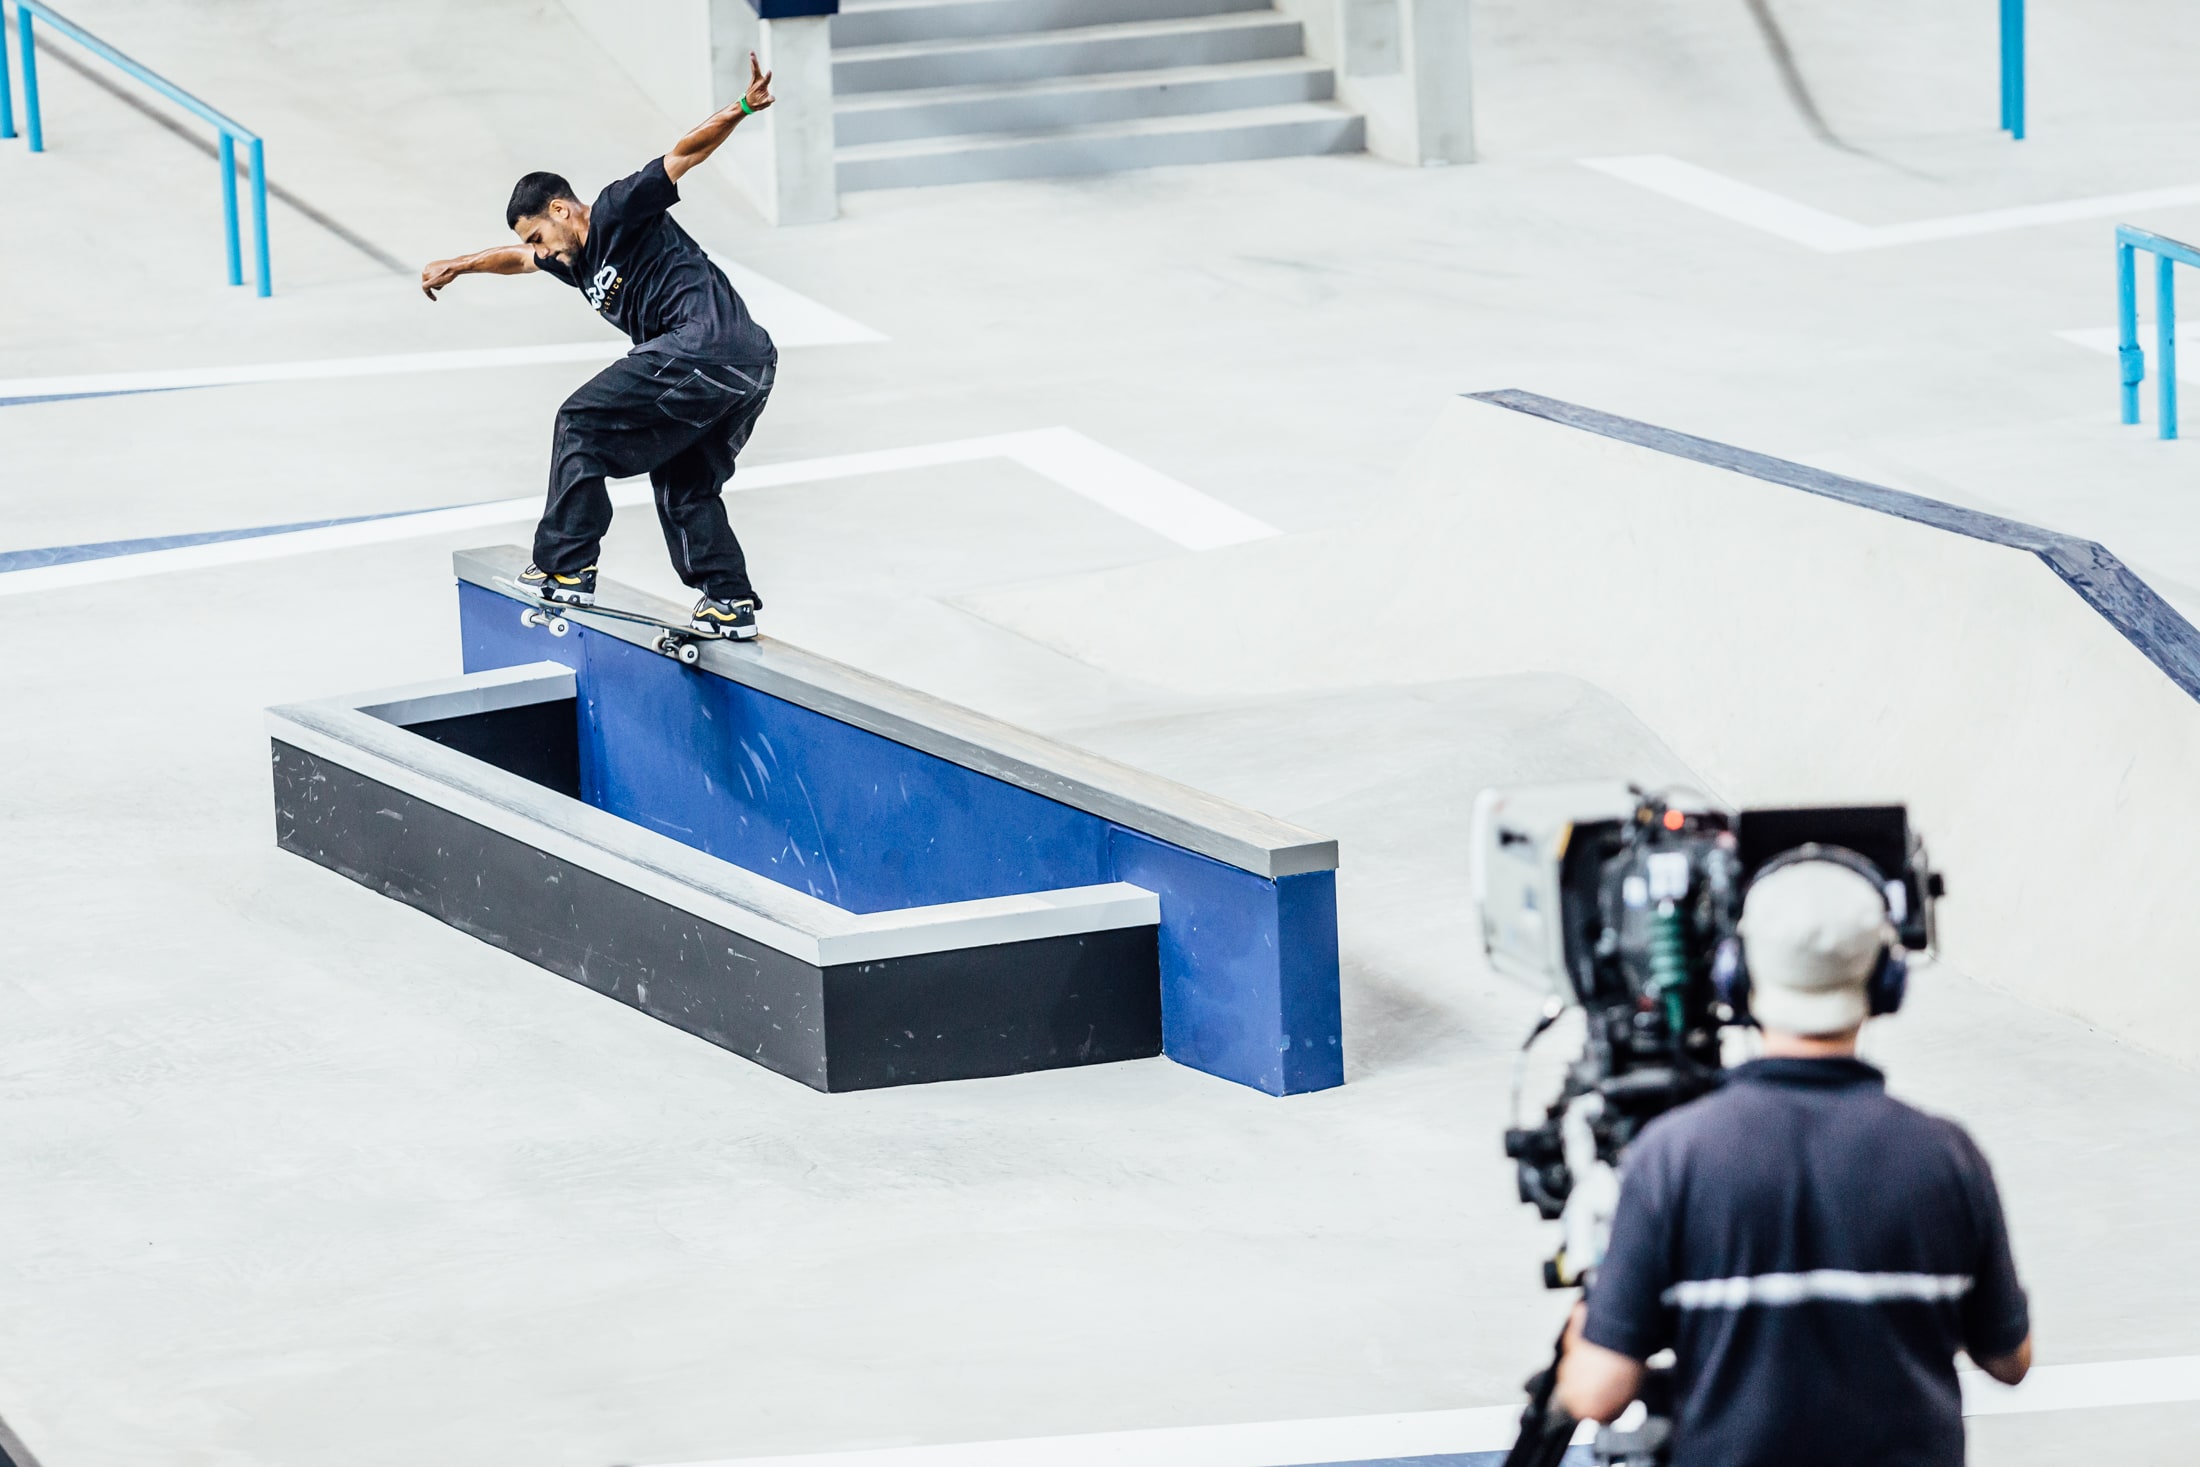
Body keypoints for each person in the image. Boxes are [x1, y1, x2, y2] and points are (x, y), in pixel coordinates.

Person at [1554, 856, 2033, 1467]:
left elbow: (1598, 1393)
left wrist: (1585, 1336)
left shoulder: (1673, 1157)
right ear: (1886, 981)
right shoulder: (1949, 1157)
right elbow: (2009, 1360)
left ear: (1736, 974)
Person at [418, 55, 780, 640]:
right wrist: (460, 265)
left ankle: (568, 564)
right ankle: (728, 600)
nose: (543, 250)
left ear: (561, 209)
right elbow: (517, 258)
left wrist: (741, 108)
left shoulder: (617, 209)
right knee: (684, 480)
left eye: (541, 234)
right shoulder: (572, 260)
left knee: (580, 421)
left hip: (705, 347)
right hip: (746, 369)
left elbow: (683, 154)